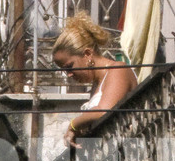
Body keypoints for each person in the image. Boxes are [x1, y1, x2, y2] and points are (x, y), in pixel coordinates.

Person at [52, 12, 138, 147]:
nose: (68, 74)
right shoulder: (97, 85)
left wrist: (74, 124)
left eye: (69, 67)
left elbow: (104, 111)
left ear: (87, 54)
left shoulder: (118, 70)